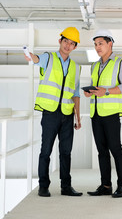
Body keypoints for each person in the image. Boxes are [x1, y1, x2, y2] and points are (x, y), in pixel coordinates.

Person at [24, 27, 83, 197]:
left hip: (67, 114)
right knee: (46, 150)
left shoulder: (75, 68)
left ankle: (66, 187)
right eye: (66, 41)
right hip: (50, 113)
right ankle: (43, 186)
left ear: (75, 47)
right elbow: (36, 59)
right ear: (60, 41)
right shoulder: (48, 58)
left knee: (66, 152)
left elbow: (76, 94)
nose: (68, 45)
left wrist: (78, 118)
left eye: (72, 43)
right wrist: (30, 56)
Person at [84, 29, 122, 198]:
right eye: (95, 44)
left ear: (110, 43)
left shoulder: (120, 63)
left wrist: (107, 92)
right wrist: (89, 92)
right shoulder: (95, 65)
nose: (97, 47)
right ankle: (106, 186)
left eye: (100, 43)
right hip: (96, 114)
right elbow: (96, 87)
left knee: (115, 149)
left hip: (111, 114)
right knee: (101, 151)